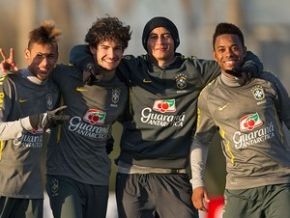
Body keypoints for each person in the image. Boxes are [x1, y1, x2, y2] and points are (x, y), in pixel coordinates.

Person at [70, 16, 262, 218]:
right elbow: (79, 50)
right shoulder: (132, 67)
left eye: (166, 36)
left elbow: (246, 57)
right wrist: (87, 65)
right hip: (132, 175)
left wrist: (249, 69)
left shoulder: (194, 70)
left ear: (175, 40)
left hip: (175, 177)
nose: (160, 42)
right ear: (146, 42)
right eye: (153, 37)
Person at [190, 22, 290, 218]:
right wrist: (197, 184)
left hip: (279, 181)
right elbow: (200, 140)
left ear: (244, 51)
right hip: (240, 188)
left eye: (235, 47)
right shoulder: (209, 96)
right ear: (215, 55)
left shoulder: (267, 82)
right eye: (222, 49)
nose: (229, 53)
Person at [45, 16, 131, 218]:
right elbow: (37, 75)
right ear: (92, 49)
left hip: (98, 178)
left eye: (117, 48)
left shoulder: (122, 88)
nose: (111, 54)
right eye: (105, 48)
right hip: (64, 174)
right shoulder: (68, 75)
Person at [0, 21, 68, 218]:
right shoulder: (10, 82)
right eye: (39, 56)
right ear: (27, 54)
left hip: (34, 189)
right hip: (4, 186)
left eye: (50, 56)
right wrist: (34, 121)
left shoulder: (53, 89)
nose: (45, 63)